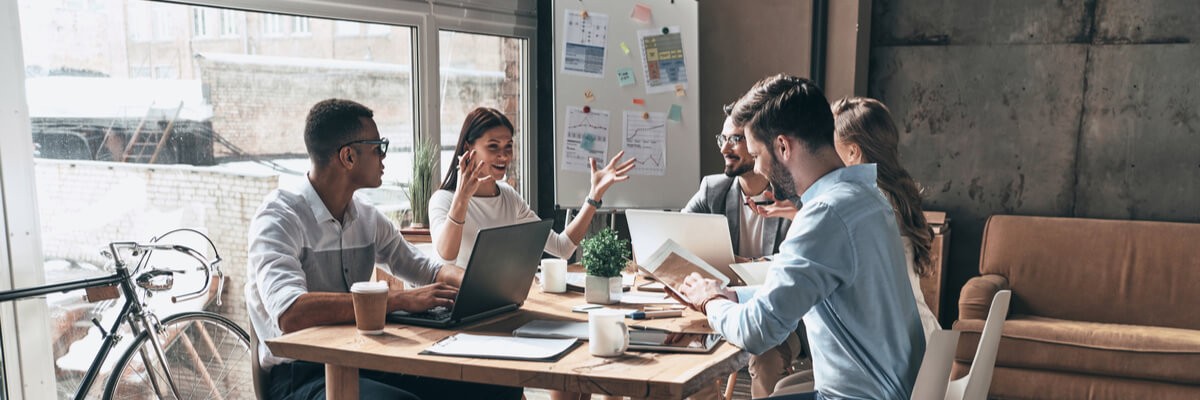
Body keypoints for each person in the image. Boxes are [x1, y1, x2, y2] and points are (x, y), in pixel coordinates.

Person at [246, 99, 522, 400]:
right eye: (378, 147)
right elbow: (290, 313)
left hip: (362, 359)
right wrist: (399, 300)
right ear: (348, 157)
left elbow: (426, 269)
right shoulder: (279, 217)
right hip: (300, 375)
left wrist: (481, 284)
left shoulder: (366, 216)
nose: (384, 157)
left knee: (497, 386)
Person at [677, 75, 925, 400]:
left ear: (783, 146)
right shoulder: (866, 197)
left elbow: (758, 331)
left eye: (757, 155)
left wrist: (710, 301)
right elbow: (791, 290)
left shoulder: (825, 215)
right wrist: (732, 295)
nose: (759, 169)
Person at [682, 103, 800, 398]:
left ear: (759, 142)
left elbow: (796, 266)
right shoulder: (713, 189)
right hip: (722, 306)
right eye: (722, 139)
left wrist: (743, 263)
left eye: (735, 139)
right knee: (686, 354)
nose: (725, 148)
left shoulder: (794, 194)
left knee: (765, 358)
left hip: (783, 317)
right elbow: (678, 234)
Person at [429, 107, 634, 268]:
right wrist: (462, 199)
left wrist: (594, 196)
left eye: (508, 146)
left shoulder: (508, 196)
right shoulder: (443, 199)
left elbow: (562, 248)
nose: (504, 156)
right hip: (458, 302)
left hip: (501, 300)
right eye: (493, 146)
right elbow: (446, 258)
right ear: (468, 148)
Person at [831, 97, 939, 340]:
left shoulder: (865, 202)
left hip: (901, 345)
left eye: (831, 144)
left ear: (852, 152)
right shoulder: (893, 195)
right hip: (923, 334)